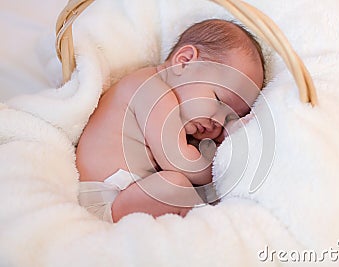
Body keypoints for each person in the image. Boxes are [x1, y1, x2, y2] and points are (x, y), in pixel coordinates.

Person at [76, 19, 265, 223]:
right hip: (105, 202)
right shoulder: (151, 91)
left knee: (176, 186)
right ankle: (205, 222)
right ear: (184, 61)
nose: (217, 123)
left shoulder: (168, 102)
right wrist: (223, 159)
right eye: (219, 101)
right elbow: (180, 161)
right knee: (175, 184)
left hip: (126, 195)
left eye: (229, 118)